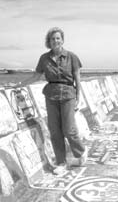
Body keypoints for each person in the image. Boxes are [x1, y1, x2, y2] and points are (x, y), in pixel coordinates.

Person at [15, 27, 87, 175]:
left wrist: (79, 96)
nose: (55, 41)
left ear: (62, 40)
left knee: (69, 129)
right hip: (51, 95)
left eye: (58, 38)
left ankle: (80, 152)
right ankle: (61, 162)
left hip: (68, 94)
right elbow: (36, 76)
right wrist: (19, 85)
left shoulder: (71, 57)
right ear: (49, 41)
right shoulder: (44, 58)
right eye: (53, 39)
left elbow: (77, 78)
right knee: (54, 131)